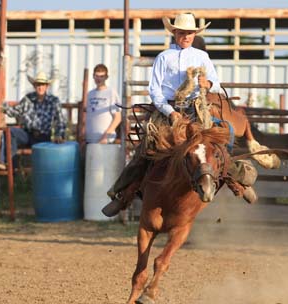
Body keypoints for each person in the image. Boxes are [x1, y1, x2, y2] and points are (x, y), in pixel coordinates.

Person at [102, 12, 254, 217]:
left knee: (218, 143)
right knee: (147, 148)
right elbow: (155, 91)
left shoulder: (202, 57)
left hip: (196, 109)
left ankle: (237, 181)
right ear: (175, 33)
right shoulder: (164, 58)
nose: (186, 36)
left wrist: (207, 84)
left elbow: (217, 84)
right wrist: (170, 112)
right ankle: (123, 195)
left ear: (194, 34)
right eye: (182, 32)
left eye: (190, 33)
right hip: (168, 110)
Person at [4, 72, 66, 159]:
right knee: (10, 131)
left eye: (42, 85)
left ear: (46, 86)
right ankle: (10, 164)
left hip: (44, 136)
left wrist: (59, 134)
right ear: (34, 86)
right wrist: (3, 106)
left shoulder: (54, 101)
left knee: (43, 159)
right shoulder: (28, 99)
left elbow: (60, 120)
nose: (40, 87)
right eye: (38, 85)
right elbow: (15, 111)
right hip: (28, 134)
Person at [86, 64, 121, 144]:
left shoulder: (111, 93)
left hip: (105, 140)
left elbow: (118, 118)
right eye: (97, 76)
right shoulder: (90, 94)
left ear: (106, 77)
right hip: (89, 140)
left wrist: (105, 136)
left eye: (102, 76)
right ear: (93, 76)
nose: (99, 79)